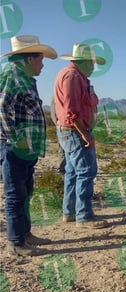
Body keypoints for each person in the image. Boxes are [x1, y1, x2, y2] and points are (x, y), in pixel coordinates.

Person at [0, 35, 56, 256]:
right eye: (41, 60)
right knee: (15, 194)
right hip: (14, 148)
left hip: (26, 149)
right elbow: (2, 108)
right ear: (30, 58)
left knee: (26, 192)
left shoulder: (24, 77)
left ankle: (25, 234)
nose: (43, 65)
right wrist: (14, 137)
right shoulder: (11, 74)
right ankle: (15, 242)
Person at [54, 43, 108, 229]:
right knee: (86, 171)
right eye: (91, 63)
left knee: (72, 171)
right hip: (75, 131)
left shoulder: (75, 77)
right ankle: (83, 216)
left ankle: (69, 212)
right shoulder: (72, 77)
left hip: (70, 131)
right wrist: (84, 133)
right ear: (83, 62)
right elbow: (71, 110)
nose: (93, 67)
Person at [50, 96, 66, 174]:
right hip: (63, 127)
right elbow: (54, 113)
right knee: (62, 149)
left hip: (63, 126)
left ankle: (62, 167)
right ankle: (61, 167)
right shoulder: (57, 95)